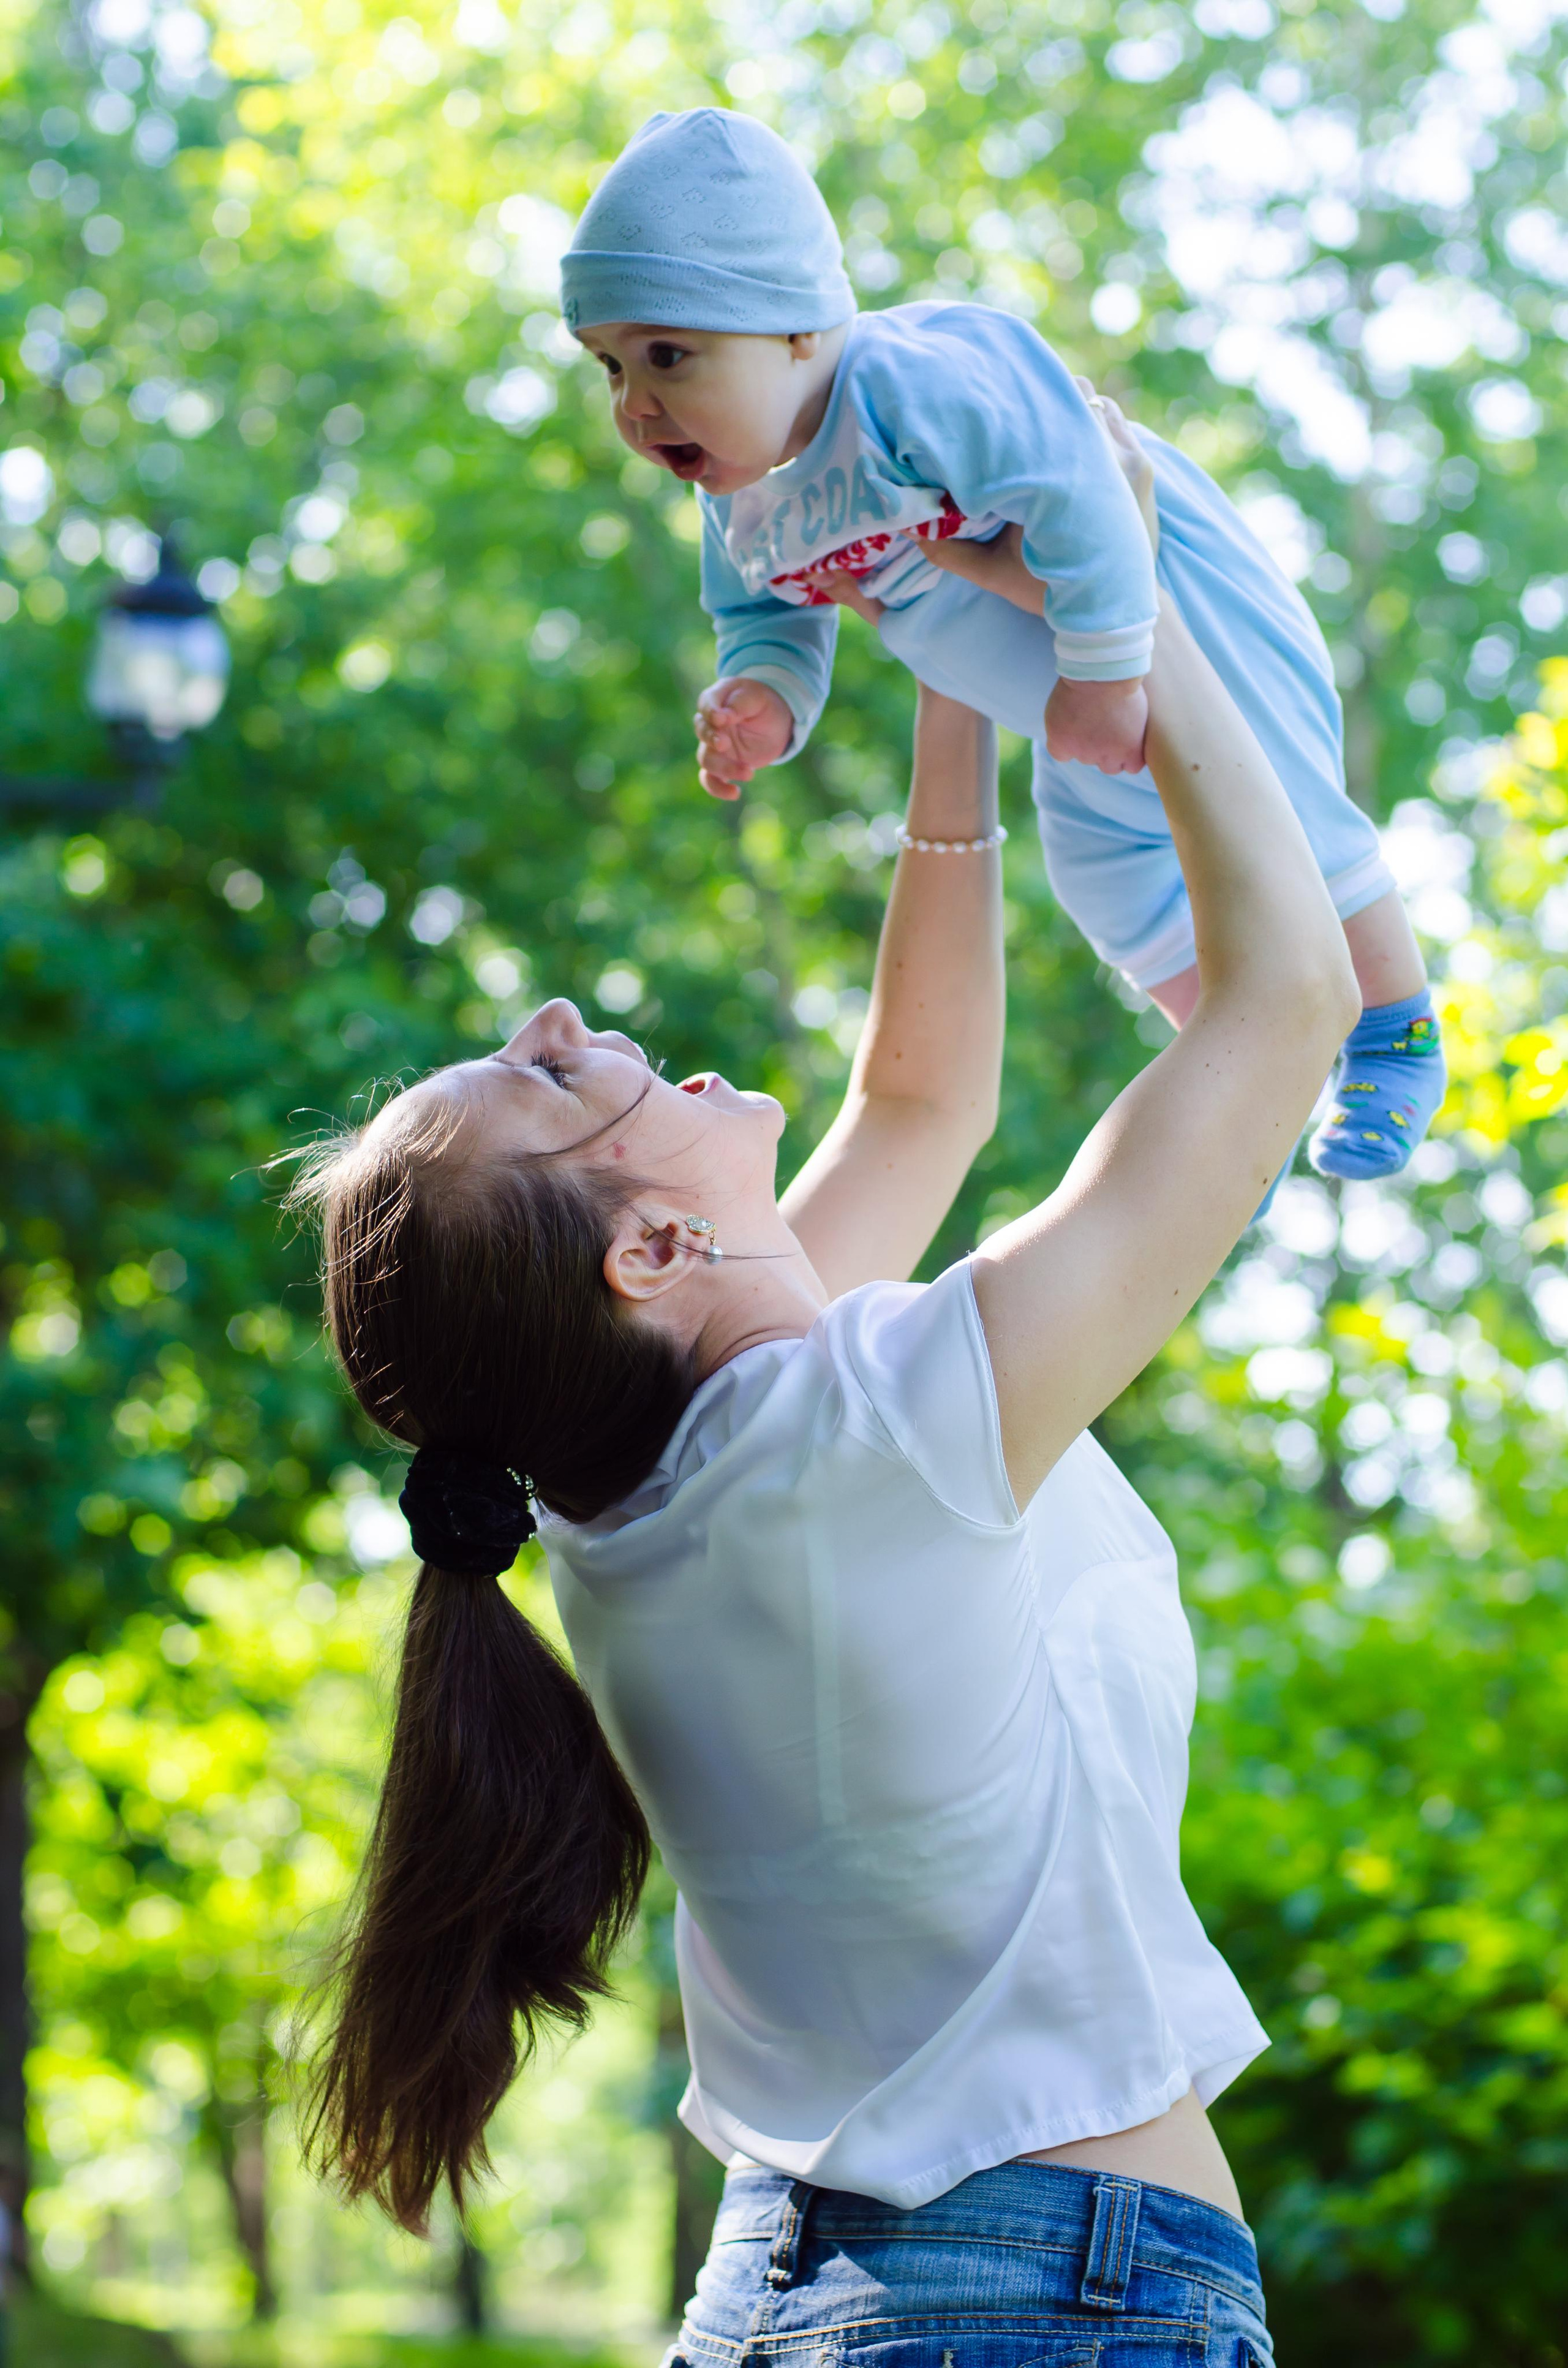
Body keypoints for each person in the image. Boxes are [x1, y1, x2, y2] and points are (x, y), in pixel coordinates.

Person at [292, 400, 1358, 2361]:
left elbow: (925, 1096)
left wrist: (949, 655)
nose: (552, 1018)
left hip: (815, 2293)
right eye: (538, 1082)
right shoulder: (853, 1443)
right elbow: (1294, 1006)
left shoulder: (653, 1492)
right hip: (1036, 2304)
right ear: (646, 1251)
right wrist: (1119, 602)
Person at [559, 106, 1444, 1186]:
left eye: (668, 355)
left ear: (797, 325)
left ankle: (1395, 1023)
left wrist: (1110, 670)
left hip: (1164, 610)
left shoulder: (914, 380)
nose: (637, 406)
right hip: (1059, 702)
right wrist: (765, 696)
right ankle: (1242, 1082)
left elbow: (1086, 490)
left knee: (1280, 804)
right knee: (1106, 875)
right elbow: (767, 615)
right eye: (608, 367)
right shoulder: (735, 498)